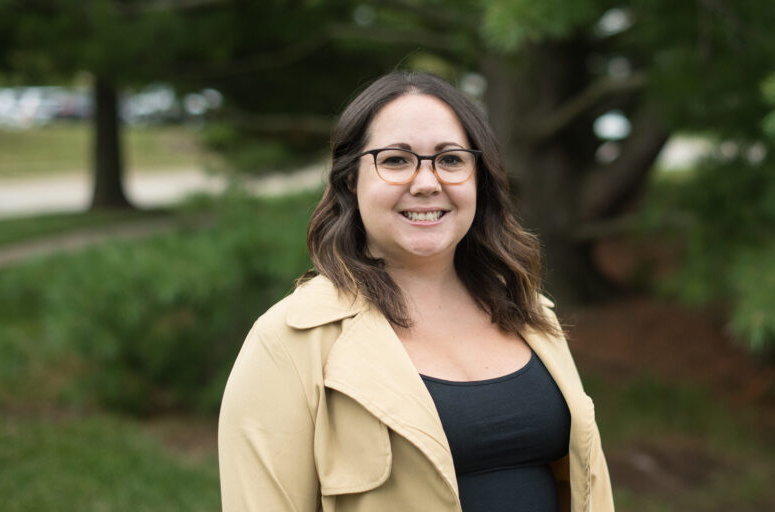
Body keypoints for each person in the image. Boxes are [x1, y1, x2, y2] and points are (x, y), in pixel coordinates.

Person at [218, 71, 614, 512]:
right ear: (351, 179)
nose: (427, 182)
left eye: (450, 160)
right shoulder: (290, 342)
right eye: (395, 160)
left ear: (479, 178)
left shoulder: (530, 314)